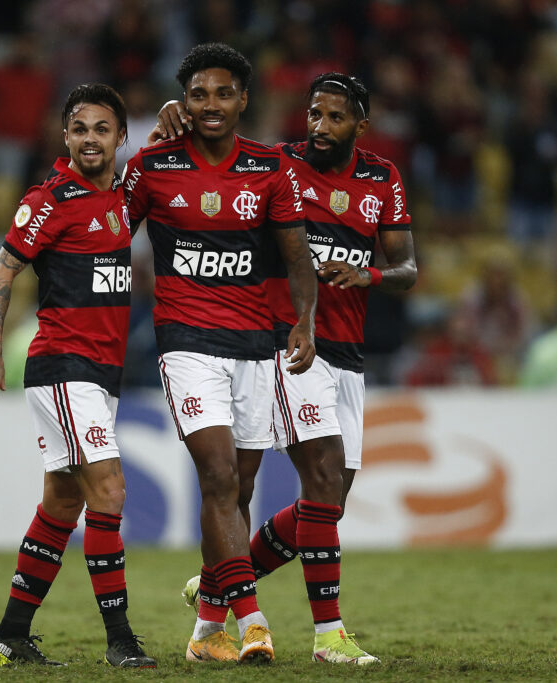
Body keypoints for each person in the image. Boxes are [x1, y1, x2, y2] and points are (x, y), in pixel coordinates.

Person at [154, 72, 417, 665]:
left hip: (349, 353)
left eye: (335, 118)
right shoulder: (276, 164)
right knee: (320, 481)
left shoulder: (383, 179)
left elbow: (407, 269)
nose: (319, 127)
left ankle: (221, 581)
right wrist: (178, 111)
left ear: (360, 125)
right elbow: (216, 146)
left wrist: (370, 275)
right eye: (313, 114)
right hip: (290, 344)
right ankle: (329, 638)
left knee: (331, 499)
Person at [123, 43, 318, 664]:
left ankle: (207, 631)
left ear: (243, 100)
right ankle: (253, 621)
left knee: (239, 492)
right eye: (199, 94)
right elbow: (102, 225)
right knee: (218, 476)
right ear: (184, 99)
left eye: (223, 93)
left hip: (256, 345)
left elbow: (296, 258)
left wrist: (305, 322)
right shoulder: (153, 165)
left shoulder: (270, 167)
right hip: (186, 343)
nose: (211, 104)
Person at [0, 84, 155, 669]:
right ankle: (121, 641)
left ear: (121, 138)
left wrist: (172, 121)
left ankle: (11, 634)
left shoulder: (124, 200)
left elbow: (162, 167)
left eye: (102, 129)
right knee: (110, 489)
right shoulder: (50, 198)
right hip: (62, 366)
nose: (90, 139)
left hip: (101, 373)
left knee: (62, 501)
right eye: (80, 128)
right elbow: (3, 272)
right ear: (65, 136)